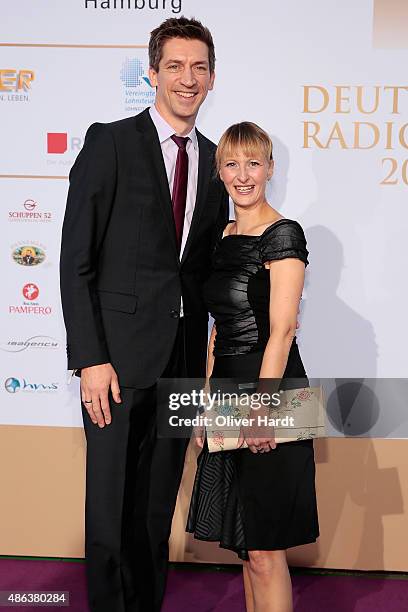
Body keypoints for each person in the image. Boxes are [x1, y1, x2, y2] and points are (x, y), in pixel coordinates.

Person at [59, 17, 228, 612]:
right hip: (115, 363)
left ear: (212, 77)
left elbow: (201, 274)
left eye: (200, 67)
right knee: (108, 515)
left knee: (154, 517)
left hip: (180, 366)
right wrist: (90, 359)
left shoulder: (215, 163)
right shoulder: (110, 141)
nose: (188, 79)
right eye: (176, 66)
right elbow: (75, 259)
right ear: (152, 73)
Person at [187, 122, 319, 612]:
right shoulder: (222, 235)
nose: (243, 175)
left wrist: (261, 409)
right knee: (245, 544)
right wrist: (205, 401)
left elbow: (282, 331)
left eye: (254, 163)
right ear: (219, 171)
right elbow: (218, 329)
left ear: (270, 168)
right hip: (227, 386)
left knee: (265, 546)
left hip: (274, 389)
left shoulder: (284, 234)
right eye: (231, 164)